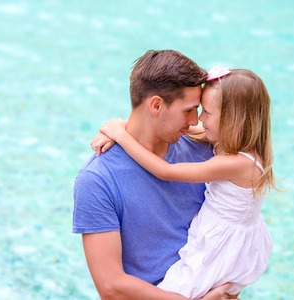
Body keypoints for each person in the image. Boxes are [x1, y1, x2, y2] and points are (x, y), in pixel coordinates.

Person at [97, 67, 277, 298]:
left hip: (221, 246)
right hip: (226, 236)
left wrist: (121, 135)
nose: (199, 119)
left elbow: (165, 171)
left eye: (207, 113)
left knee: (177, 290)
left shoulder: (239, 163)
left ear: (233, 120)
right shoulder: (231, 141)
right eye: (197, 110)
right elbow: (157, 121)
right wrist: (120, 127)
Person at [73, 50, 238, 299]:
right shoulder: (97, 180)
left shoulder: (207, 152)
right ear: (157, 105)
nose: (196, 121)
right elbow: (111, 287)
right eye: (189, 110)